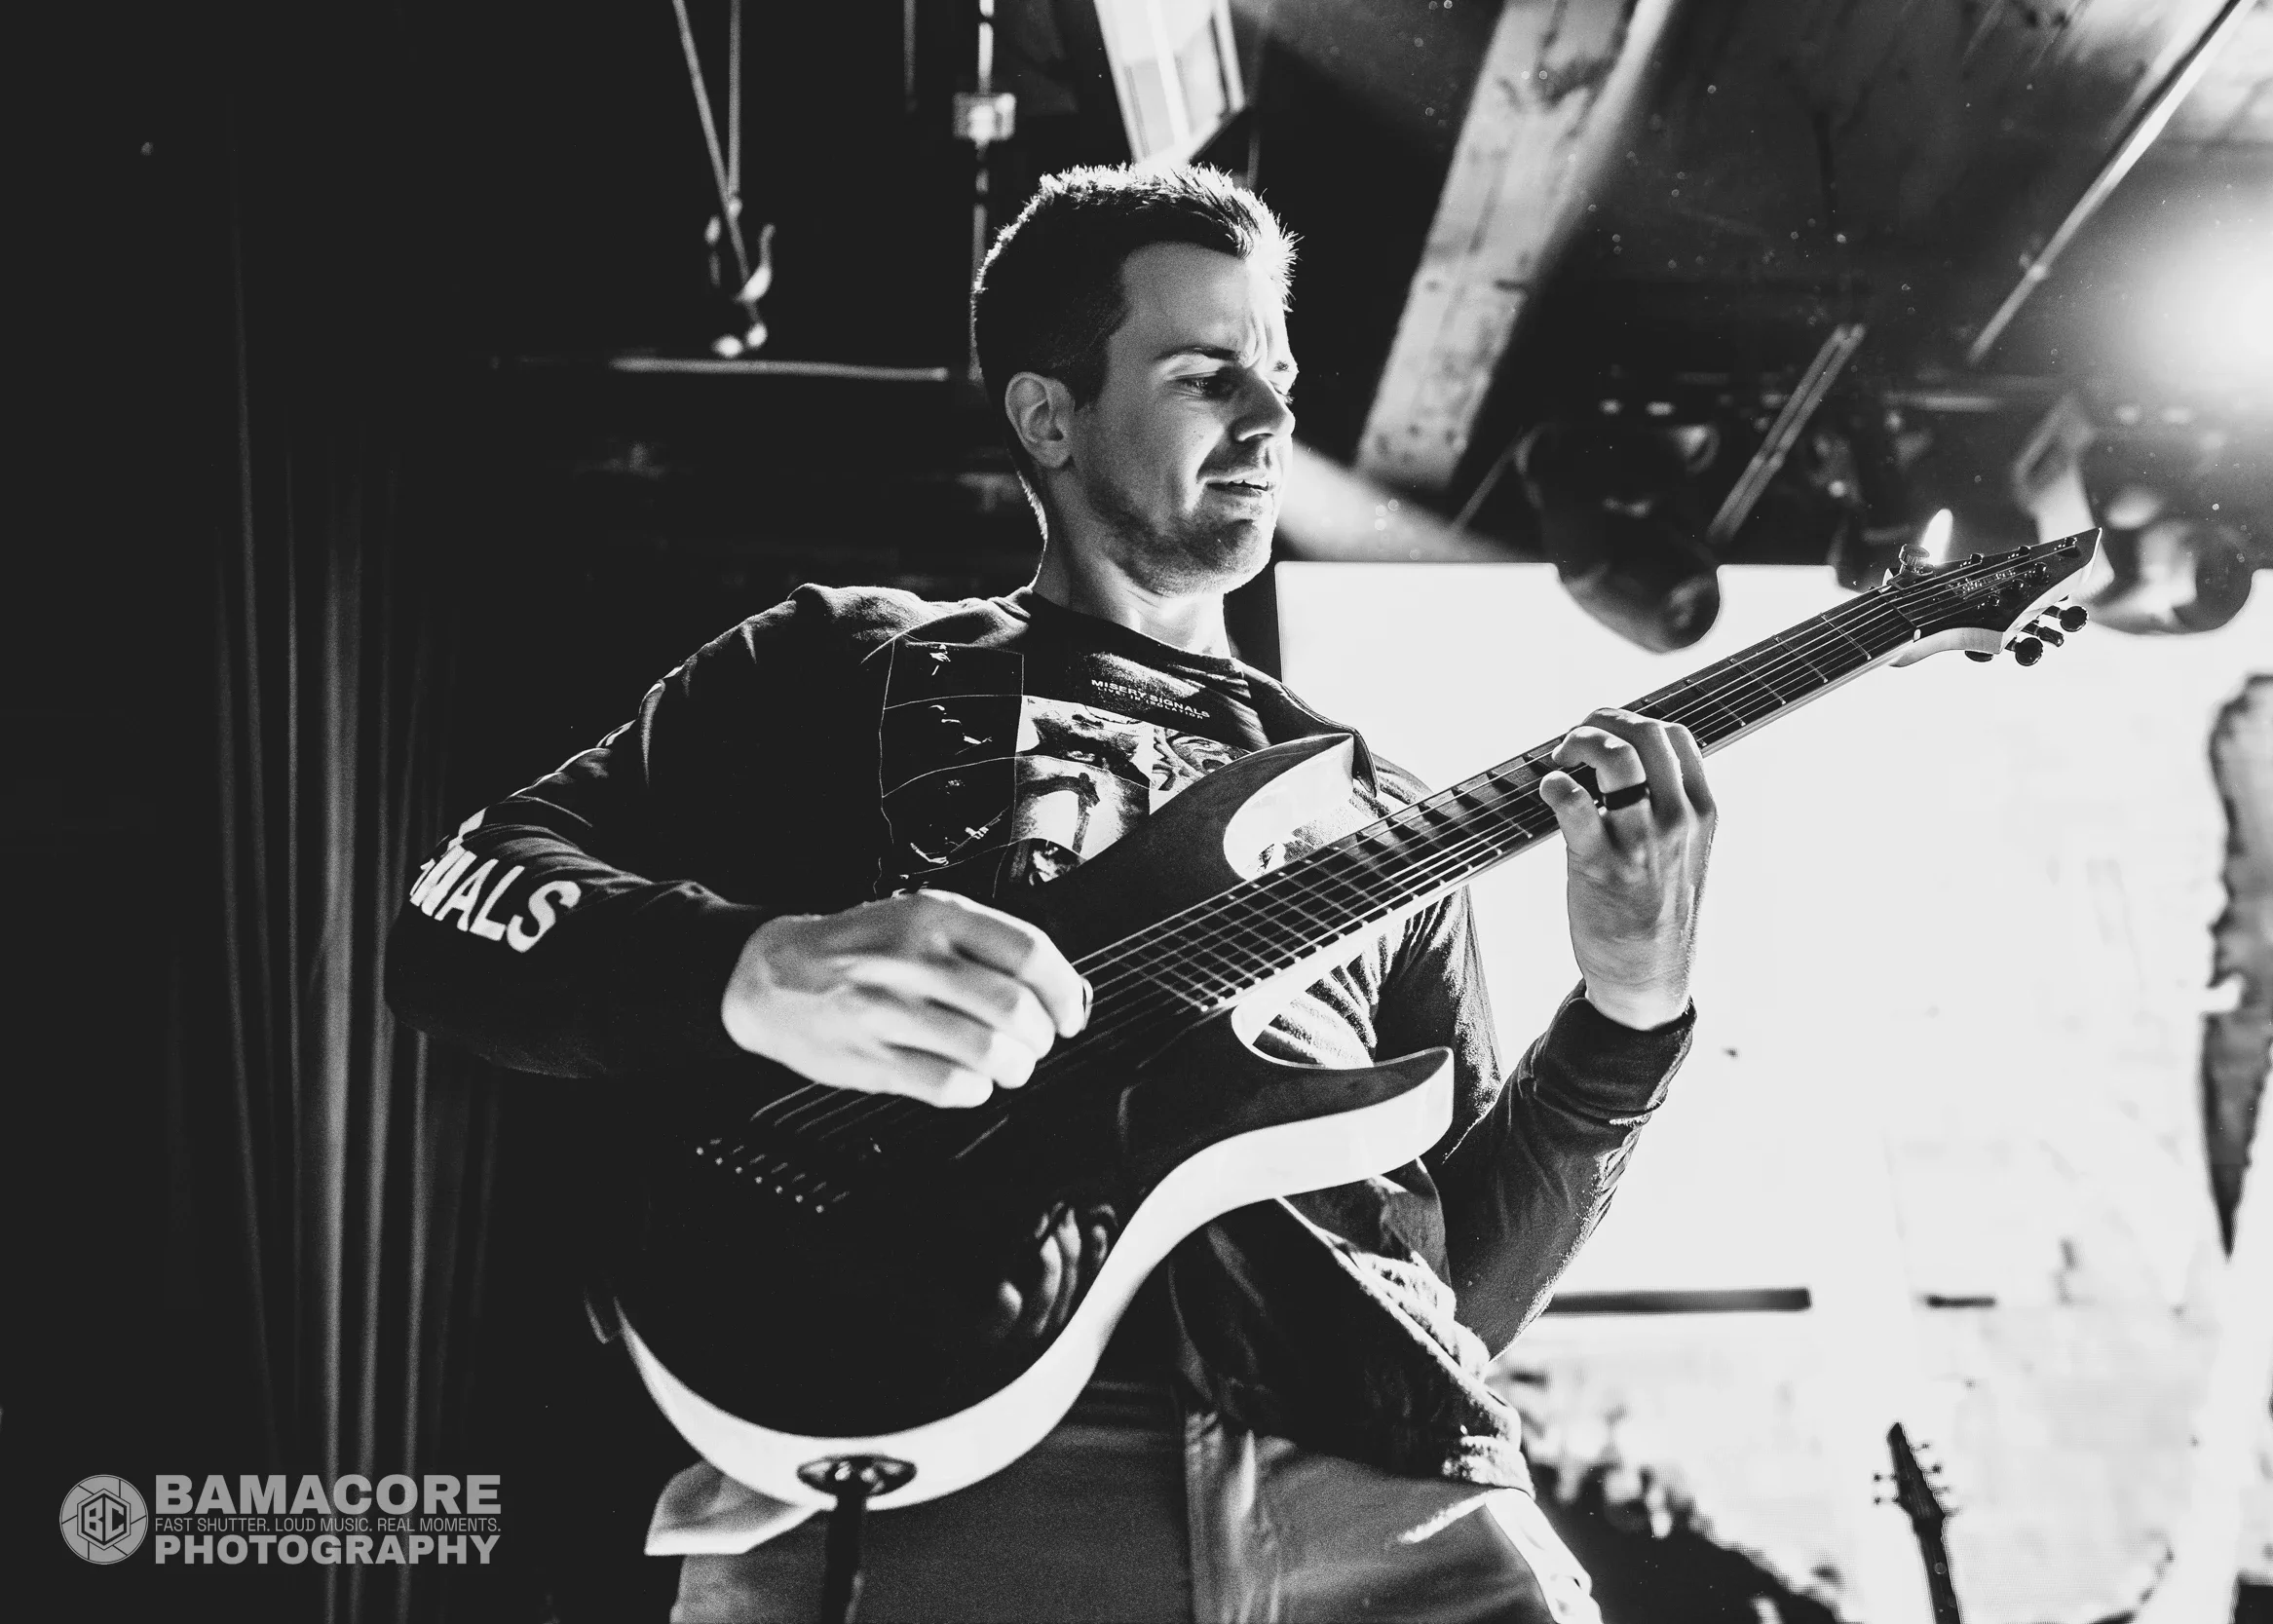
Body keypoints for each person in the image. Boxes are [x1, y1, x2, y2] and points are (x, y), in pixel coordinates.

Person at [388, 163, 1715, 1624]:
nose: (1273, 422)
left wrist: (1630, 1011)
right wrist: (754, 969)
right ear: (1049, 415)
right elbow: (460, 905)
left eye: (1276, 374)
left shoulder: (1380, 814)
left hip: (1408, 1518)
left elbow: (1452, 1286)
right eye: (1210, 375)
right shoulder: (842, 666)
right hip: (929, 1476)